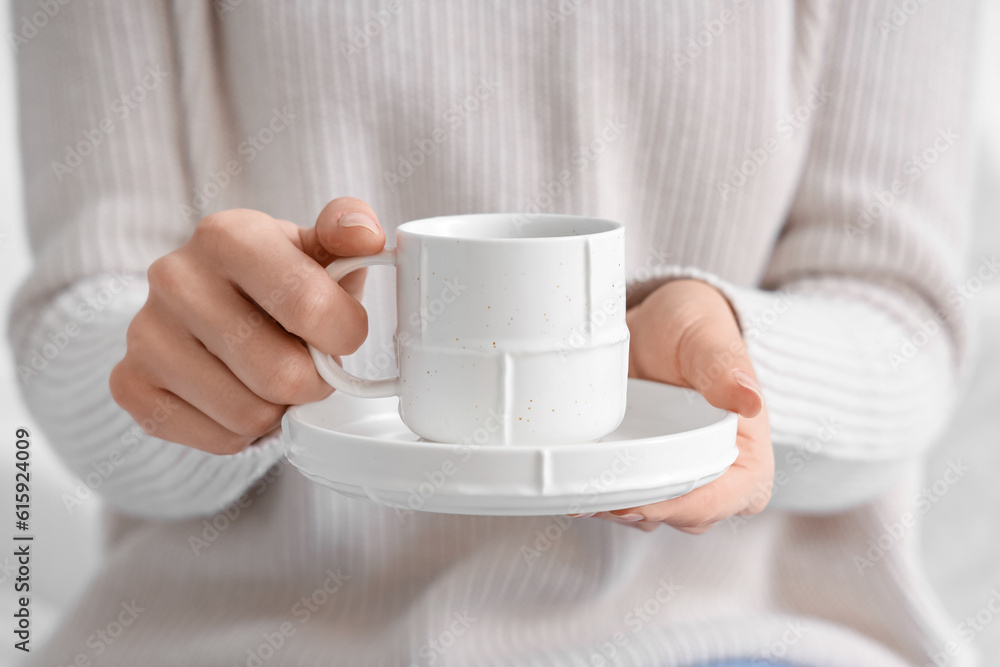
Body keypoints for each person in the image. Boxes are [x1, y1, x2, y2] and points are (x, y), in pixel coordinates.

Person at [9, 1, 980, 665]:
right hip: (234, 639)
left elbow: (898, 326)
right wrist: (204, 375)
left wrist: (728, 382)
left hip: (728, 631)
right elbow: (77, 331)